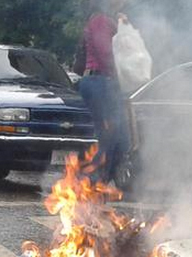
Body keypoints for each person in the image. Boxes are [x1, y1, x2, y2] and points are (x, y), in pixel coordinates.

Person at [78, 0, 129, 185]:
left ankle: (99, 183)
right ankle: (91, 183)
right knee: (110, 135)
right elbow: (106, 53)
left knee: (120, 138)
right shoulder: (100, 20)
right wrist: (126, 73)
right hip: (99, 82)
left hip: (104, 82)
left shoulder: (108, 20)